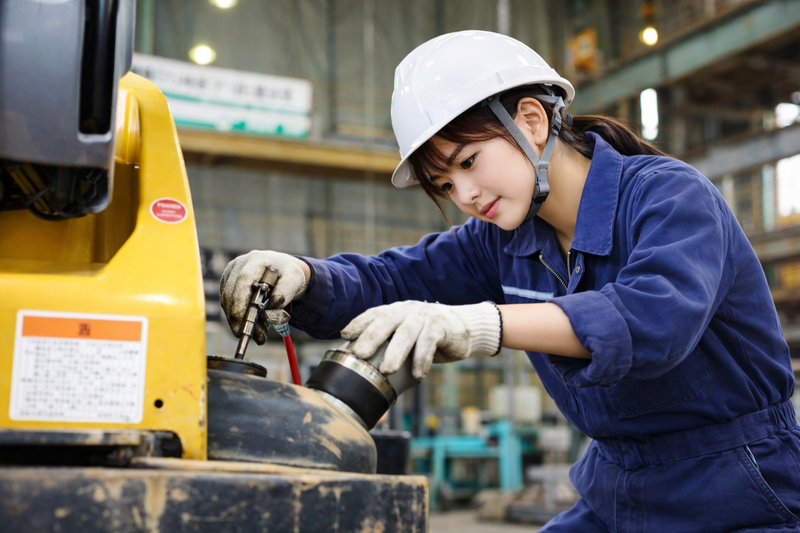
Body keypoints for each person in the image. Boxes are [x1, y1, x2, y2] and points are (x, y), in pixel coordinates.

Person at [220, 30, 800, 532]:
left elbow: (652, 319)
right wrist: (304, 277)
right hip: (617, 484)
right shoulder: (502, 240)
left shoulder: (669, 196)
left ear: (531, 120)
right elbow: (392, 279)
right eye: (445, 185)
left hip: (742, 484)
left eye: (468, 161)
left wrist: (481, 324)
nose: (466, 195)